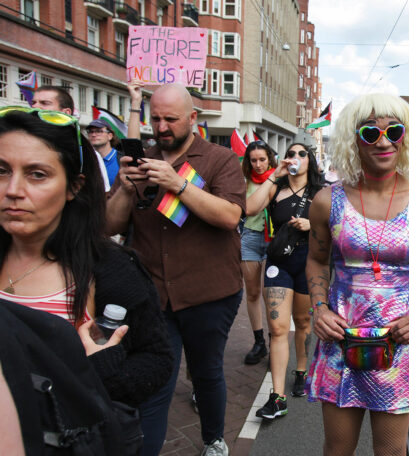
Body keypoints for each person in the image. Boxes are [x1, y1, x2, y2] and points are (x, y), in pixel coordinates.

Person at [106, 83, 246, 456]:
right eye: (155, 118)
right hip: (153, 294)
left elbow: (230, 216)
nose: (162, 126)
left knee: (206, 373)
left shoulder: (219, 159)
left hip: (209, 292)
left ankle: (213, 439)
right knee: (154, 382)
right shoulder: (140, 159)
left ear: (192, 119)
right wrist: (123, 188)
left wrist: (178, 184)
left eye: (170, 119)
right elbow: (109, 226)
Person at [0, 107, 172, 408]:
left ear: (74, 187)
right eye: (2, 171)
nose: (13, 190)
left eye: (37, 175)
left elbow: (156, 361)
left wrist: (101, 370)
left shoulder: (111, 270)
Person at [305, 93, 409, 456]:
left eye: (393, 131)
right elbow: (318, 260)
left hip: (398, 342)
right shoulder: (327, 200)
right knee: (337, 450)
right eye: (370, 133)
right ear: (354, 141)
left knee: (391, 452)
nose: (383, 141)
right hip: (340, 339)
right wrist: (319, 308)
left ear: (406, 136)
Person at [246, 142, 324, 418]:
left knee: (303, 322)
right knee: (278, 329)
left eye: (302, 154)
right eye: (290, 154)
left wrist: (312, 225)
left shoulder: (321, 191)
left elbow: (338, 225)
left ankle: (301, 369)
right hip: (278, 262)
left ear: (310, 161)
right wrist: (273, 175)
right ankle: (277, 397)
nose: (295, 158)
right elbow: (250, 208)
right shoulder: (276, 187)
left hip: (309, 263)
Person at [240, 140, 277, 365]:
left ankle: (276, 343)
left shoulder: (279, 178)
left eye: (262, 159)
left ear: (270, 159)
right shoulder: (243, 181)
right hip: (250, 238)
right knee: (252, 293)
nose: (258, 165)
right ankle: (259, 342)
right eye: (253, 160)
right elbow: (247, 207)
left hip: (274, 240)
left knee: (271, 295)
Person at [86, 119, 120, 187]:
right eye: (91, 131)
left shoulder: (121, 159)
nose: (93, 135)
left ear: (110, 136)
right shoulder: (86, 159)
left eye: (99, 131)